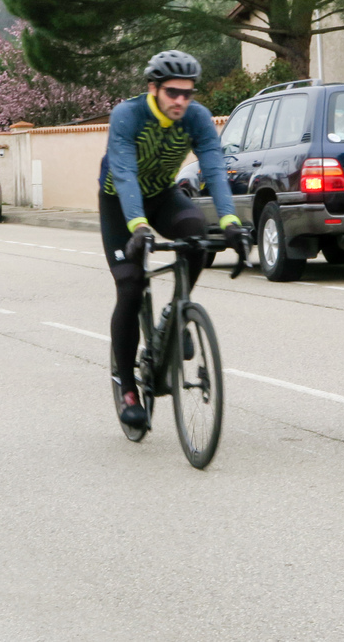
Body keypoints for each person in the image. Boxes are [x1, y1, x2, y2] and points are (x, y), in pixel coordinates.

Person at [101, 50, 243, 429]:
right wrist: (138, 227)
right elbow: (124, 173)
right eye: (172, 92)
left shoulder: (196, 117)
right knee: (130, 287)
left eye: (187, 93)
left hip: (162, 195)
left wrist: (230, 221)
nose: (181, 100)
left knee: (197, 235)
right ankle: (128, 388)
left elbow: (214, 168)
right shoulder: (128, 115)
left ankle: (175, 314)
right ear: (154, 88)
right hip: (119, 201)